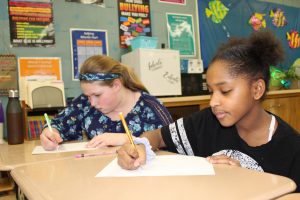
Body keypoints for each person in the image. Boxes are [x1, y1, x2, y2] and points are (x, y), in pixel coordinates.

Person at [117, 30, 300, 192]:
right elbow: (157, 136)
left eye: (225, 91)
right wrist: (139, 146)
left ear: (257, 89)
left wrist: (247, 181)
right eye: (211, 92)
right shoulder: (207, 121)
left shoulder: (290, 146)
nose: (213, 102)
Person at [40, 55, 173, 150]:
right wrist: (50, 133)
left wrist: (125, 139)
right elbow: (57, 124)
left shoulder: (150, 108)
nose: (92, 103)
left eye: (97, 95)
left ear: (116, 85)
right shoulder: (84, 103)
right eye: (88, 96)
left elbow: (171, 143)